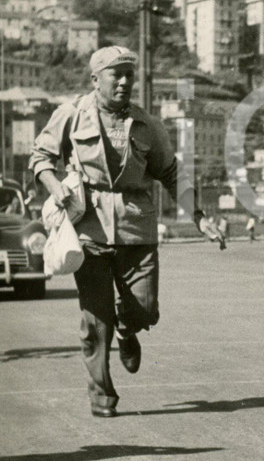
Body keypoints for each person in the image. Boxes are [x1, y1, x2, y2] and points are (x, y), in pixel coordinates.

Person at [28, 46, 224, 418]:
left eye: (129, 75)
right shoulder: (71, 115)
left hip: (137, 227)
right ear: (95, 79)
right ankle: (102, 395)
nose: (123, 82)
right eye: (115, 74)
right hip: (88, 228)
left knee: (146, 311)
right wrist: (54, 187)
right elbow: (40, 158)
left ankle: (127, 327)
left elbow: (171, 172)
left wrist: (199, 216)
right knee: (93, 319)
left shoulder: (148, 124)